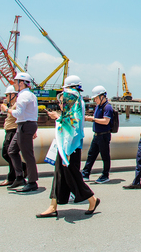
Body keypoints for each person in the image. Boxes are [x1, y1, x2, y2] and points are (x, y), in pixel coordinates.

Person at [37, 84, 100, 218]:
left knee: (72, 176)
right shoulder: (76, 108)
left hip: (69, 149)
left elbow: (71, 131)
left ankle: (92, 199)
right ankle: (53, 205)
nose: (61, 104)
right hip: (67, 148)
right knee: (60, 175)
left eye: (63, 101)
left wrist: (67, 152)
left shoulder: (73, 112)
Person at [2, 72, 39, 192]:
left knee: (27, 154)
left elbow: (18, 113)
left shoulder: (23, 96)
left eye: (15, 82)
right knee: (12, 151)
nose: (14, 84)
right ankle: (19, 177)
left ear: (21, 83)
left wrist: (6, 110)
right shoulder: (30, 95)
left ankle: (32, 182)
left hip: (25, 125)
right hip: (25, 124)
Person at [81, 85, 113, 183]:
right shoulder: (98, 106)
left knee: (105, 156)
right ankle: (85, 173)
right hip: (97, 135)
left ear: (102, 96)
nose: (95, 100)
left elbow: (106, 121)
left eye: (96, 98)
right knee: (91, 155)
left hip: (104, 135)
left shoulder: (108, 107)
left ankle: (105, 175)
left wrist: (92, 119)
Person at [0, 85, 24, 187]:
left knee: (8, 153)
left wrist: (6, 109)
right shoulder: (12, 104)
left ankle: (13, 176)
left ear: (13, 95)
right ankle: (20, 168)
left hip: (13, 131)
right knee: (8, 154)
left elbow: (18, 114)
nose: (6, 97)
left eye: (7, 95)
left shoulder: (16, 105)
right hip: (9, 131)